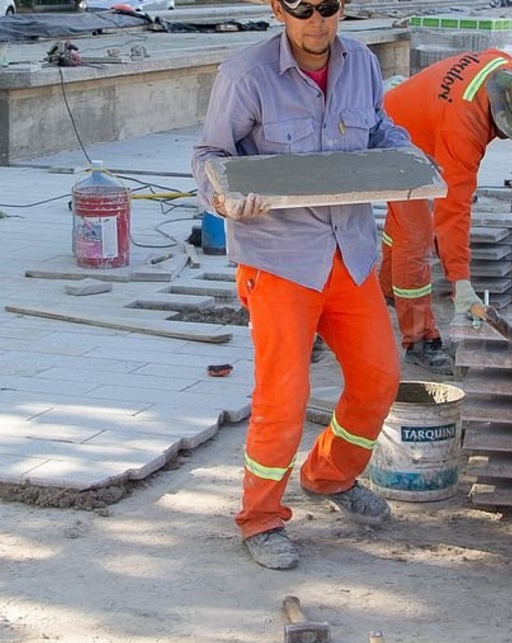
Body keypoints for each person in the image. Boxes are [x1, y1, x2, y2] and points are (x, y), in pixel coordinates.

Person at [191, 0, 407, 570]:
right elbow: (211, 155)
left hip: (351, 253)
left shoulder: (362, 62)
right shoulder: (246, 74)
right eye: (302, 8)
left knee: (380, 377)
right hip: (281, 260)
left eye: (328, 7)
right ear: (277, 9)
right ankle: (260, 518)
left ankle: (329, 477)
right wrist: (226, 197)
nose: (317, 22)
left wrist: (406, 159)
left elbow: (382, 129)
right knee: (282, 399)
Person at [381, 50, 512, 372]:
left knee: (404, 225)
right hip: (393, 143)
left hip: (405, 114)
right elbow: (454, 211)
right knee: (416, 237)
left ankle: (385, 291)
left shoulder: (507, 69)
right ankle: (419, 338)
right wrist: (460, 281)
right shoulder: (463, 128)